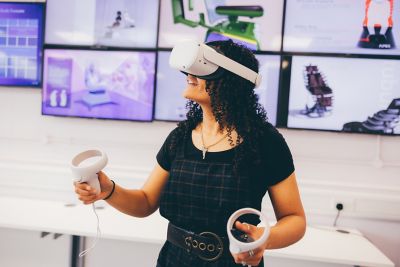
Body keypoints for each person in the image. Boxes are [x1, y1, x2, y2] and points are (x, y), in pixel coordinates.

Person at [74, 40, 306, 267]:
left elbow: (295, 219)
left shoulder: (265, 141)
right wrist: (109, 191)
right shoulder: (180, 137)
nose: (190, 76)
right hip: (174, 259)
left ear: (231, 80)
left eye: (202, 70)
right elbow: (145, 202)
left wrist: (262, 238)